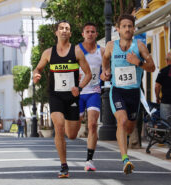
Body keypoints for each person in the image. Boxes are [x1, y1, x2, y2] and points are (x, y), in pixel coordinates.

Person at [33, 20, 92, 178]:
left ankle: (72, 118)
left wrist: (79, 88)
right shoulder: (48, 53)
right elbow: (38, 67)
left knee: (71, 135)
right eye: (61, 28)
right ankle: (64, 166)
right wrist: (36, 74)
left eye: (67, 28)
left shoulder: (77, 52)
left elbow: (88, 74)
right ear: (56, 32)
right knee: (59, 126)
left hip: (72, 97)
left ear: (70, 33)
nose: (64, 31)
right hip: (56, 95)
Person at [100, 14, 155, 174]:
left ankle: (127, 143)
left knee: (129, 127)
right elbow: (105, 59)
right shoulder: (111, 46)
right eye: (124, 26)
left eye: (130, 26)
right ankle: (125, 159)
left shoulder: (139, 46)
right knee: (122, 121)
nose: (127, 29)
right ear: (118, 29)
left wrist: (137, 62)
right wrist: (106, 71)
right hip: (117, 91)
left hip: (134, 93)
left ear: (134, 28)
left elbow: (152, 67)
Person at [78, 22, 104, 171]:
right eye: (87, 31)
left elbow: (107, 68)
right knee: (72, 131)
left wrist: (105, 74)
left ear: (96, 34)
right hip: (78, 93)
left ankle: (89, 160)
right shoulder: (76, 50)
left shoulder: (102, 51)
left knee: (93, 124)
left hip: (93, 91)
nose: (90, 34)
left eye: (93, 31)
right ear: (83, 34)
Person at [155, 52, 171, 120]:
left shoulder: (163, 71)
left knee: (165, 124)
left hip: (166, 102)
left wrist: (157, 97)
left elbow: (157, 86)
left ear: (167, 60)